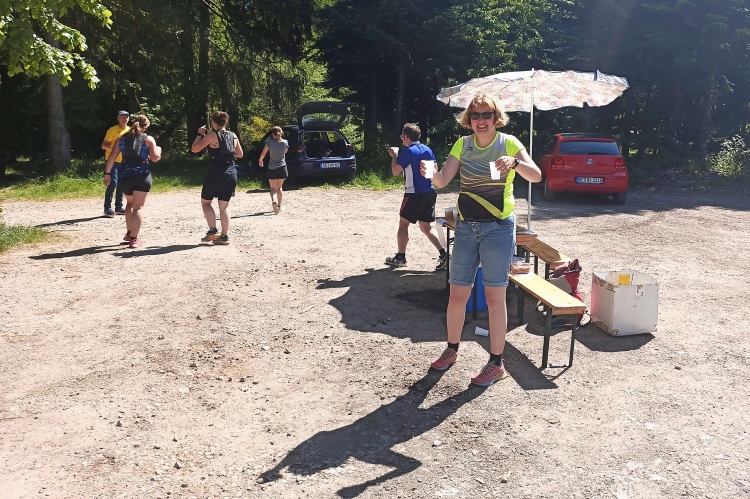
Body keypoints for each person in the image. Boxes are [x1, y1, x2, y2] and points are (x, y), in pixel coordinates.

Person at [425, 93, 542, 386]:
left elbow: (536, 176)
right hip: (466, 227)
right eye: (475, 115)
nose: (480, 120)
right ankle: (452, 350)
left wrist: (514, 163)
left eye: (486, 114)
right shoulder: (462, 144)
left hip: (498, 228)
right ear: (469, 119)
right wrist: (431, 173)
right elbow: (443, 180)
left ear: (495, 117)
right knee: (457, 294)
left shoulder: (509, 143)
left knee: (494, 297)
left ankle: (496, 363)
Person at [385, 123, 447, 270]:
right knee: (426, 227)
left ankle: (400, 257)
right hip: (429, 192)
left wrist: (394, 156)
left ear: (406, 137)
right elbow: (435, 169)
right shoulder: (427, 149)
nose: (402, 139)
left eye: (402, 137)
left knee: (403, 225)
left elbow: (395, 171)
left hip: (413, 194)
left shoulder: (408, 151)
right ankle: (444, 254)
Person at [104, 114, 162, 248]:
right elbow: (155, 158)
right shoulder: (148, 139)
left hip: (125, 175)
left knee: (130, 204)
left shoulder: (121, 138)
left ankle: (129, 233)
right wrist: (158, 150)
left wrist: (107, 173)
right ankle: (134, 239)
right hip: (142, 176)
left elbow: (113, 156)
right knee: (138, 207)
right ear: (145, 127)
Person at [191, 111, 244, 244]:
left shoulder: (212, 135)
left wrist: (199, 134)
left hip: (216, 172)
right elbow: (240, 154)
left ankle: (212, 230)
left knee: (206, 202)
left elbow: (195, 149)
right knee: (224, 207)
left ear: (213, 123)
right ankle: (224, 236)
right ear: (225, 122)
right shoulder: (233, 135)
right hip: (231, 172)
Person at [101, 110, 130, 217]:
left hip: (124, 161)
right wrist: (115, 148)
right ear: (118, 118)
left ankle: (119, 207)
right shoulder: (112, 130)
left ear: (128, 119)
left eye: (126, 117)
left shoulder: (129, 130)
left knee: (121, 184)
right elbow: (104, 145)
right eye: (122, 117)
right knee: (112, 183)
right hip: (113, 160)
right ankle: (107, 208)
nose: (124, 119)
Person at [258, 126, 289, 214]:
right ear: (281, 133)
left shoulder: (269, 142)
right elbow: (285, 152)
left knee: (273, 188)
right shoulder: (285, 142)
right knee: (279, 187)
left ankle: (273, 201)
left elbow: (263, 153)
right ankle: (279, 206)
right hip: (282, 167)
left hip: (272, 168)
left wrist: (260, 160)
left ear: (272, 134)